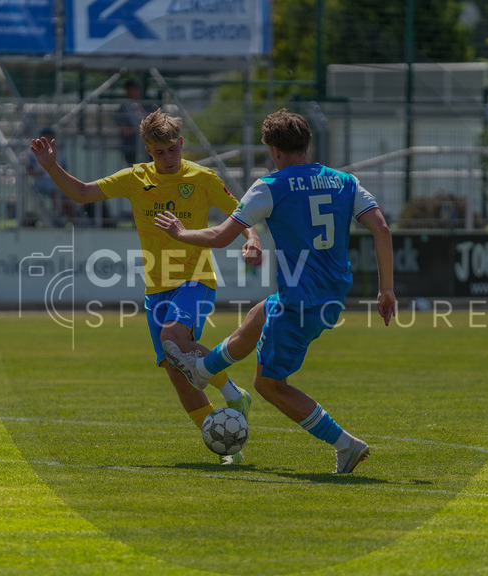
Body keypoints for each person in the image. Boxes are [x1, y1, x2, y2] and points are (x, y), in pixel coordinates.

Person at [156, 109, 396, 474]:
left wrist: (180, 233)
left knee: (269, 384)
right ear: (307, 143)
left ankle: (345, 444)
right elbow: (381, 229)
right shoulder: (345, 181)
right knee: (262, 312)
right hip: (331, 297)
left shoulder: (271, 186)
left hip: (301, 303)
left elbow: (221, 236)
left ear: (274, 149)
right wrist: (386, 289)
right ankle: (203, 369)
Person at [29, 109, 263, 465]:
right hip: (156, 287)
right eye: (159, 152)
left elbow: (240, 213)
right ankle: (228, 449)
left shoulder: (202, 178)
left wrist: (253, 240)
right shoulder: (135, 178)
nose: (167, 158)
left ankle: (233, 393)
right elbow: (81, 192)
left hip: (195, 278)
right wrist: (50, 167)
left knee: (173, 340)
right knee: (176, 370)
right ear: (147, 150)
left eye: (172, 149)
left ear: (181, 144)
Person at [25, 127, 77, 226]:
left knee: (69, 196)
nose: (48, 140)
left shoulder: (59, 153)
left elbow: (64, 170)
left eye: (50, 137)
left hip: (56, 181)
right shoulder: (34, 153)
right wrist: (37, 173)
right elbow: (28, 170)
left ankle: (72, 220)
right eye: (46, 137)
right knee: (55, 192)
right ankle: (59, 217)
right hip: (41, 183)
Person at [115, 79, 157, 166]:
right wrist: (144, 129)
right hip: (131, 149)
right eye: (131, 90)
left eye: (136, 89)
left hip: (149, 148)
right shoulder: (122, 109)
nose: (134, 92)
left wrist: (139, 108)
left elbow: (155, 124)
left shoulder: (147, 105)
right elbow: (125, 131)